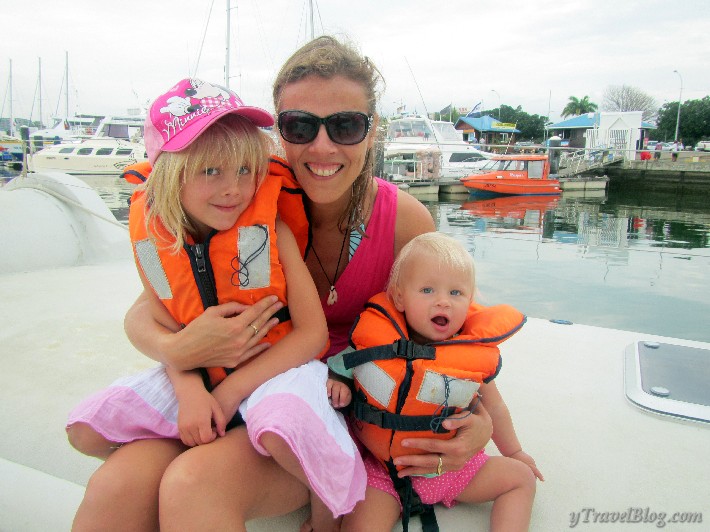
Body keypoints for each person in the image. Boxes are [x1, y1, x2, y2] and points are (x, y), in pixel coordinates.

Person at [72, 36, 493, 532]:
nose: (322, 146)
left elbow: (457, 330)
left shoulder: (403, 222)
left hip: (330, 412)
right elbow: (149, 310)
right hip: (224, 391)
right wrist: (179, 350)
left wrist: (480, 423)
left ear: (372, 129)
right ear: (279, 131)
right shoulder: (233, 210)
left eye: (345, 125)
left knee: (194, 483)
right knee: (116, 487)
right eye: (300, 126)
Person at [67, 77, 365, 531]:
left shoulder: (270, 233)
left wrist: (226, 395)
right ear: (170, 173)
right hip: (199, 383)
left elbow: (312, 334)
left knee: (222, 464)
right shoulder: (156, 242)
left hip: (271, 382)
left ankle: (321, 484)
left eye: (246, 171)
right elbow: (164, 321)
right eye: (212, 172)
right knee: (93, 446)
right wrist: (191, 394)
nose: (234, 190)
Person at [330, 232, 542, 531]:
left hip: (458, 469)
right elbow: (341, 367)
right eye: (428, 290)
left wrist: (514, 452)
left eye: (456, 293)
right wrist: (337, 381)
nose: (443, 302)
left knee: (521, 478)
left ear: (469, 301)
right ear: (400, 297)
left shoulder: (469, 356)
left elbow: (495, 408)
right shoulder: (374, 345)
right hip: (387, 474)